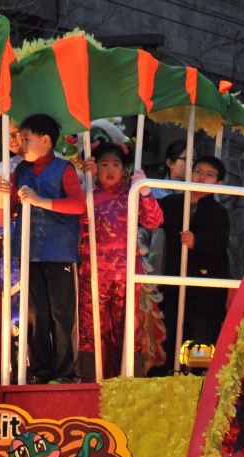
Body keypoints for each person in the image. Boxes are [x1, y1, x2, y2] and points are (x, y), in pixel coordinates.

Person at [0, 113, 85, 384]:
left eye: (26, 139)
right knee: (35, 316)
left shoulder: (63, 169)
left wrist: (39, 201)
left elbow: (78, 205)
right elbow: (1, 219)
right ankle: (41, 372)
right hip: (29, 253)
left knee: (62, 315)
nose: (21, 143)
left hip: (60, 254)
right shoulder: (19, 171)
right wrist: (3, 196)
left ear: (45, 141)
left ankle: (65, 374)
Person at [77, 142, 166, 379]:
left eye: (115, 164)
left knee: (127, 329)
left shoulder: (131, 195)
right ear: (95, 168)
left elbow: (155, 221)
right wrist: (82, 176)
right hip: (92, 275)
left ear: (123, 169)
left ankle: (128, 380)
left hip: (126, 275)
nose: (110, 169)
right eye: (104, 164)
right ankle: (90, 382)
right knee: (91, 329)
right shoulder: (85, 194)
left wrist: (144, 190)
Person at [153, 156, 231, 374]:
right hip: (172, 284)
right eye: (198, 171)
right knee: (169, 331)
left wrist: (197, 241)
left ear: (218, 184)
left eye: (209, 174)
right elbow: (151, 216)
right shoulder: (172, 203)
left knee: (202, 335)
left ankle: (198, 378)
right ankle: (165, 375)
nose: (202, 176)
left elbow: (219, 241)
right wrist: (142, 192)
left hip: (205, 290)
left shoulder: (219, 212)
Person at [0, 120, 27, 353]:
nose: (12, 139)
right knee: (16, 319)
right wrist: (2, 199)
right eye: (7, 134)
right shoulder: (4, 168)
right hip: (14, 257)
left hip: (49, 253)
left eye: (18, 133)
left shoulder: (57, 163)